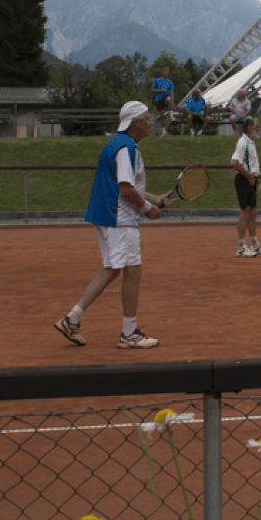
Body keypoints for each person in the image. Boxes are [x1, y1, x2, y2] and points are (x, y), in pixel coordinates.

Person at [54, 101, 173, 349]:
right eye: (147, 118)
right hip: (118, 217)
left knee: (113, 269)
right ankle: (128, 334)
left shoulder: (118, 144)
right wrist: (148, 209)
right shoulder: (127, 147)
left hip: (108, 214)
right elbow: (126, 189)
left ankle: (72, 319)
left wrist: (154, 198)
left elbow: (128, 185)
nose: (151, 122)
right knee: (132, 271)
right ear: (136, 123)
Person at [229, 117, 261, 258]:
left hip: (250, 180)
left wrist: (258, 175)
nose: (259, 129)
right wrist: (248, 176)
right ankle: (240, 248)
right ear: (249, 128)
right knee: (245, 212)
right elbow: (233, 163)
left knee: (253, 212)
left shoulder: (251, 142)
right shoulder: (242, 142)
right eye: (257, 126)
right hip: (243, 180)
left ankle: (254, 244)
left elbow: (249, 164)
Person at [150, 67, 175, 137]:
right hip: (159, 99)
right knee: (162, 116)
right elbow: (152, 90)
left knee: (169, 99)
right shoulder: (157, 80)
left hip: (166, 97)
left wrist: (172, 102)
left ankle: (171, 115)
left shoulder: (169, 81)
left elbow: (172, 91)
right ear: (163, 72)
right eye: (167, 72)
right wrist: (160, 90)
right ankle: (164, 132)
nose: (168, 73)